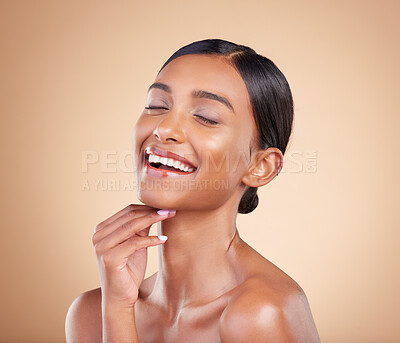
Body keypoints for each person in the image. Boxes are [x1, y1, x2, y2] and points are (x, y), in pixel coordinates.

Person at [65, 38, 321, 342]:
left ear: (260, 166)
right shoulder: (92, 312)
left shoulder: (263, 313)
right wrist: (118, 307)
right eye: (156, 105)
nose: (164, 129)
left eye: (206, 117)